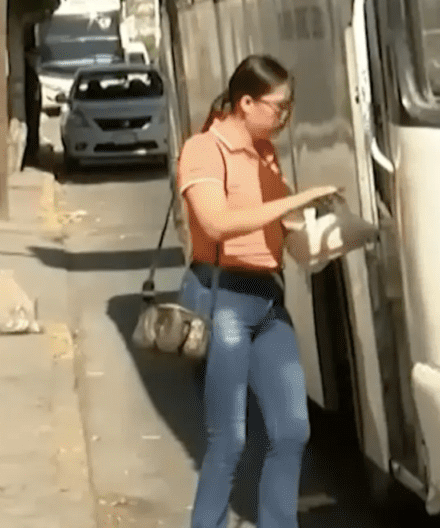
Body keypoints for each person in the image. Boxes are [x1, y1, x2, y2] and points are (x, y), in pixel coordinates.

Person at [178, 54, 339, 528]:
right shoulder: (205, 150)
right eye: (278, 107)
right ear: (245, 102)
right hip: (224, 296)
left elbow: (280, 228)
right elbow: (218, 223)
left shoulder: (264, 150)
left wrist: (331, 231)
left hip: (267, 297)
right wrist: (297, 198)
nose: (284, 118)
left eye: (289, 108)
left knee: (291, 431)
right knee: (228, 439)